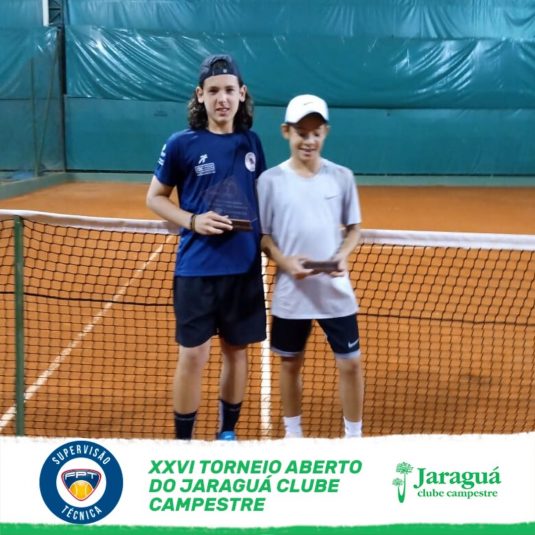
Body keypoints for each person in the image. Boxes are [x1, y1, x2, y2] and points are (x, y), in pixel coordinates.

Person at [146, 54, 267, 440]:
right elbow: (155, 198)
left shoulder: (251, 142)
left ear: (241, 93)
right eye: (213, 91)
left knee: (236, 351)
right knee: (193, 355)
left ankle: (226, 433)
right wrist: (193, 221)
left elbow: (261, 198)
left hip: (243, 269)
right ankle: (184, 442)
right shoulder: (181, 143)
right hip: (196, 270)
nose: (222, 98)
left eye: (229, 90)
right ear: (200, 95)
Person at [257, 94, 364, 439]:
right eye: (301, 133)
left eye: (316, 133)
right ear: (285, 132)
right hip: (292, 292)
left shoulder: (342, 177)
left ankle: (354, 437)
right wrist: (284, 261)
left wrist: (342, 255)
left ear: (325, 132)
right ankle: (293, 435)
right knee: (290, 363)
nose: (309, 140)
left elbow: (354, 230)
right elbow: (263, 237)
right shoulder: (269, 181)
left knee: (350, 363)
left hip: (335, 290)